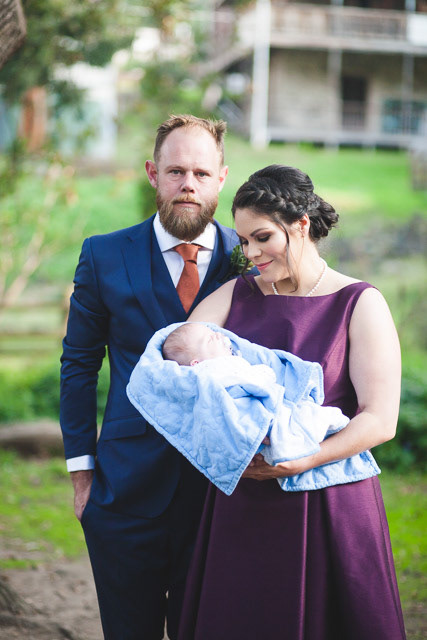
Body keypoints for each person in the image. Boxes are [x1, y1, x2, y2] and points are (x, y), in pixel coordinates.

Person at [176, 165, 406, 640]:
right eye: (244, 241)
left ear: (301, 224)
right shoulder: (235, 295)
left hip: (330, 502)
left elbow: (380, 419)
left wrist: (305, 459)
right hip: (243, 501)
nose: (250, 253)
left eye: (262, 237)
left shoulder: (359, 302)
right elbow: (180, 367)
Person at [59, 114, 239, 640]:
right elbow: (78, 366)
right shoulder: (104, 254)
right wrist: (82, 477)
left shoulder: (250, 259)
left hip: (222, 498)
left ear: (221, 178)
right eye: (176, 171)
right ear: (153, 174)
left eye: (201, 174)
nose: (188, 185)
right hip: (124, 493)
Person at [127, 321, 380, 495]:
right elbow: (252, 382)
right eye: (209, 339)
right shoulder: (210, 372)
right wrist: (265, 377)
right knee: (300, 421)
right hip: (258, 416)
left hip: (264, 414)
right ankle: (316, 431)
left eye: (214, 332)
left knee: (298, 421)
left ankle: (309, 434)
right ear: (195, 363)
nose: (218, 336)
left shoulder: (226, 362)